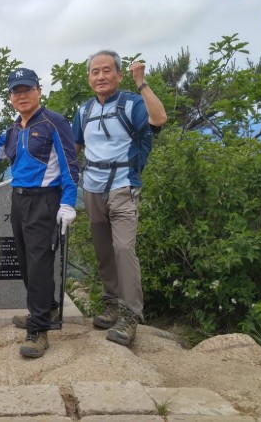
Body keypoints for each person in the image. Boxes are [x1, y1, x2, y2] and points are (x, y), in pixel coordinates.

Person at [0, 67, 79, 358]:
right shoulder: (14, 128)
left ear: (38, 91)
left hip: (44, 200)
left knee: (39, 264)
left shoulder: (54, 122)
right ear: (10, 97)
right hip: (18, 200)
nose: (22, 95)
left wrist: (69, 201)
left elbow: (69, 164)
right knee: (27, 261)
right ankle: (47, 309)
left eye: (27, 89)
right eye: (16, 91)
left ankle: (39, 330)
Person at [71, 50, 168, 346]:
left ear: (119, 75)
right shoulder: (84, 110)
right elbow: (74, 148)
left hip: (124, 186)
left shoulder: (132, 103)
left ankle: (130, 313)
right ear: (89, 78)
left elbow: (159, 118)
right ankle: (111, 303)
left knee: (123, 248)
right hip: (92, 188)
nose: (100, 76)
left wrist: (142, 83)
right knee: (104, 251)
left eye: (106, 70)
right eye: (95, 72)